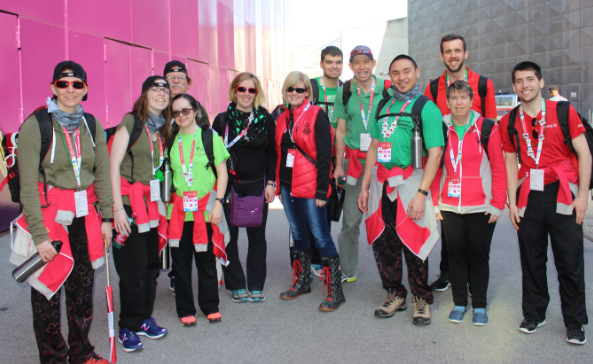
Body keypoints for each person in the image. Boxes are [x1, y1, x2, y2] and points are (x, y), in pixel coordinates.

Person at [11, 60, 113, 363]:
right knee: (48, 292)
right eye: (63, 83)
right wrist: (39, 236)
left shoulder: (92, 125)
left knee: (82, 289)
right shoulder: (36, 125)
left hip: (85, 216)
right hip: (49, 219)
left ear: (86, 89)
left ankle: (81, 352)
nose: (70, 90)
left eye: (77, 84)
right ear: (53, 87)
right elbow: (28, 184)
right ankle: (53, 357)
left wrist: (106, 219)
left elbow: (103, 174)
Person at [500, 61, 590, 344]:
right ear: (514, 86)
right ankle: (534, 314)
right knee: (532, 260)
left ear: (541, 82)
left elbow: (585, 155)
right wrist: (512, 202)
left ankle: (575, 322)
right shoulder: (509, 121)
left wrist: (583, 196)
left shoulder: (563, 110)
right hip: (529, 195)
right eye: (519, 81)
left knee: (569, 261)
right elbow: (510, 164)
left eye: (530, 79)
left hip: (564, 193)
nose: (524, 85)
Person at [358, 55, 443, 325]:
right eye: (396, 73)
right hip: (382, 182)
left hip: (411, 181)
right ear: (390, 76)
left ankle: (421, 297)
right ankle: (395, 293)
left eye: (407, 71)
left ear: (417, 72)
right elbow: (373, 147)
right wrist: (364, 186)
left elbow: (436, 153)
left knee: (413, 241)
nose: (401, 77)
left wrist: (422, 194)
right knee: (385, 242)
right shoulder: (383, 105)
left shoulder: (426, 107)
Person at [425, 34, 497, 292]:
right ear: (441, 55)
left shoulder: (484, 84)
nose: (453, 56)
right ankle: (448, 273)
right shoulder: (433, 88)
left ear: (465, 54)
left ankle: (471, 278)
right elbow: (427, 126)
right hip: (446, 168)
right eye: (448, 51)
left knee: (474, 233)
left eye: (457, 51)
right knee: (449, 229)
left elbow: (490, 129)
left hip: (475, 169)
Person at [433, 80, 507, 325]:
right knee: (455, 257)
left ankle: (480, 305)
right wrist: (435, 202)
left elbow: (499, 167)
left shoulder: (486, 128)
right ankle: (460, 302)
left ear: (471, 99)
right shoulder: (441, 128)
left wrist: (498, 202)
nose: (458, 102)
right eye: (454, 98)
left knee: (478, 256)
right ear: (448, 102)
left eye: (463, 97)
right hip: (449, 205)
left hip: (481, 206)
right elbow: (435, 168)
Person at [110, 76, 171, 352]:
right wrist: (116, 209)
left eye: (164, 89)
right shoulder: (131, 123)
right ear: (145, 94)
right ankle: (127, 325)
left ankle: (144, 318)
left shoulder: (162, 129)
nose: (161, 93)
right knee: (132, 269)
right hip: (128, 207)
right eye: (155, 89)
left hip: (151, 206)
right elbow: (112, 168)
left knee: (150, 266)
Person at [275, 71, 345, 311]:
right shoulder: (282, 117)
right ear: (285, 91)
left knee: (320, 235)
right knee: (299, 235)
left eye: (300, 90)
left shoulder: (317, 114)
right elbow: (279, 153)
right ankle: (303, 282)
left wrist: (321, 190)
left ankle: (336, 290)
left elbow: (326, 155)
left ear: (308, 93)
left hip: (311, 185)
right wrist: (276, 184)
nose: (295, 93)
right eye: (290, 89)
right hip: (287, 185)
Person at [212, 72, 276, 303]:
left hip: (257, 186)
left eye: (252, 90)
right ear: (234, 90)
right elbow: (214, 158)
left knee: (257, 238)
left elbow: (272, 154)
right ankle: (236, 283)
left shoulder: (266, 119)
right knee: (230, 238)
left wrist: (270, 183)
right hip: (229, 188)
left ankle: (256, 284)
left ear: (257, 93)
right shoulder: (221, 120)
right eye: (242, 89)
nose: (247, 94)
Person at [168, 93, 230, 325]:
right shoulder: (170, 140)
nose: (181, 116)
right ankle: (185, 308)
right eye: (176, 112)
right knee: (181, 263)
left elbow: (222, 172)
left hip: (205, 208)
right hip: (179, 212)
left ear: (195, 111)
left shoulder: (209, 137)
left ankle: (210, 305)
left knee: (205, 260)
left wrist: (219, 203)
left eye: (185, 110)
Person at [333, 45, 392, 283]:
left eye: (366, 62)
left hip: (383, 163)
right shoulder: (345, 92)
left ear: (373, 63)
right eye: (356, 62)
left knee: (386, 220)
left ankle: (391, 274)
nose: (362, 67)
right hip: (354, 164)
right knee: (350, 221)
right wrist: (339, 165)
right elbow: (340, 131)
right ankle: (348, 269)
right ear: (350, 66)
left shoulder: (388, 90)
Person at [304, 46, 344, 278]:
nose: (334, 66)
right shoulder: (310, 87)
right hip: (308, 157)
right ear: (321, 64)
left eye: (338, 62)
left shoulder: (346, 89)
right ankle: (303, 258)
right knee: (304, 209)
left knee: (327, 207)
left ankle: (319, 258)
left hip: (333, 157)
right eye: (329, 62)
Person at [163, 60, 192, 292]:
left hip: (187, 182)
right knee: (161, 227)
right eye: (170, 78)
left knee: (185, 229)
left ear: (188, 83)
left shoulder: (196, 109)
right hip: (160, 180)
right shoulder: (156, 107)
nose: (175, 81)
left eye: (180, 77)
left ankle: (178, 273)